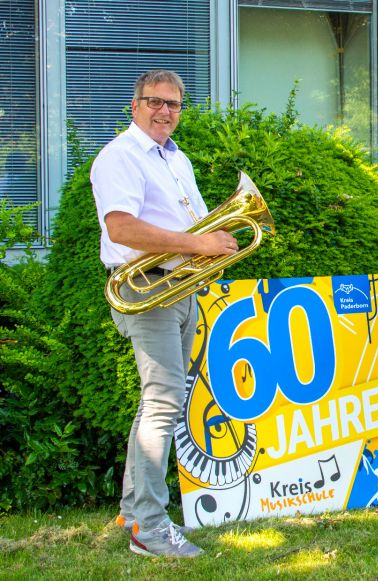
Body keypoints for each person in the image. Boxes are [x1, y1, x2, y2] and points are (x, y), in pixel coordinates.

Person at [91, 69, 238, 557]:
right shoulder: (120, 156)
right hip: (148, 288)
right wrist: (197, 245)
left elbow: (193, 224)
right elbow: (121, 228)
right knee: (163, 403)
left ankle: (133, 513)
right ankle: (150, 529)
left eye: (173, 104)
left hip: (181, 287)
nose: (164, 111)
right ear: (135, 106)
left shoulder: (177, 158)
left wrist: (214, 246)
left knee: (157, 402)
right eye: (155, 102)